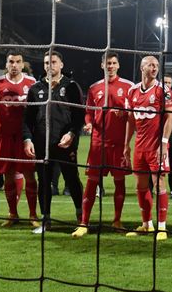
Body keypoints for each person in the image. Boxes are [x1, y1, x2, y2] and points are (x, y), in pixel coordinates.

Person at [72, 52, 134, 238]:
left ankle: (117, 220)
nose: (111, 66)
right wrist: (89, 122)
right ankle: (84, 222)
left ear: (118, 65)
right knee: (92, 183)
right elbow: (88, 112)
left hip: (119, 143)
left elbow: (132, 113)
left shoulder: (128, 87)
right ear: (102, 66)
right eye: (108, 63)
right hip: (98, 143)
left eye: (114, 63)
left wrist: (124, 114)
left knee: (119, 182)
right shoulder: (94, 88)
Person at [23, 50, 85, 234]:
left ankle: (81, 217)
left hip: (65, 143)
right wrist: (28, 139)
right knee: (44, 182)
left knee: (72, 180)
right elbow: (28, 119)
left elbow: (79, 115)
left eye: (54, 62)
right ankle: (46, 220)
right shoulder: (35, 89)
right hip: (42, 144)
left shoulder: (72, 86)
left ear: (61, 65)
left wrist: (72, 133)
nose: (50, 66)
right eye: (46, 63)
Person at [0, 50, 39, 228]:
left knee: (30, 175)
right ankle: (13, 214)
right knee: (9, 176)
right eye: (11, 62)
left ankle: (33, 215)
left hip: (24, 137)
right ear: (6, 64)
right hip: (3, 136)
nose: (14, 65)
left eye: (18, 62)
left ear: (22, 64)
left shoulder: (32, 83)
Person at [123, 56, 172, 241]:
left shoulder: (164, 90)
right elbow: (130, 119)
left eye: (156, 65)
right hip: (139, 147)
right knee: (140, 185)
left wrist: (163, 143)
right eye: (150, 65)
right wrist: (126, 145)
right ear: (142, 67)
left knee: (159, 183)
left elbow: (170, 117)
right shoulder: (132, 91)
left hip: (157, 147)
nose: (154, 68)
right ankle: (147, 224)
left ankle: (162, 227)